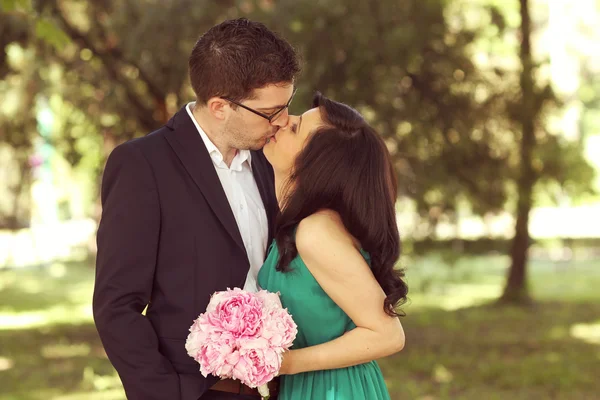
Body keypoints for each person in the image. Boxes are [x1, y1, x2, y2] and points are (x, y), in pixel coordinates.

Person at [93, 18, 300, 400]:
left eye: (286, 106)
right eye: (271, 112)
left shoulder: (272, 159)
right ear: (220, 106)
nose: (283, 122)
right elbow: (116, 306)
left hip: (282, 387)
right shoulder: (142, 165)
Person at [258, 92, 408, 399]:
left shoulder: (316, 232)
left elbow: (388, 335)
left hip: (334, 390)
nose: (283, 122)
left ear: (317, 164)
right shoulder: (301, 225)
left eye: (296, 127)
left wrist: (285, 364)